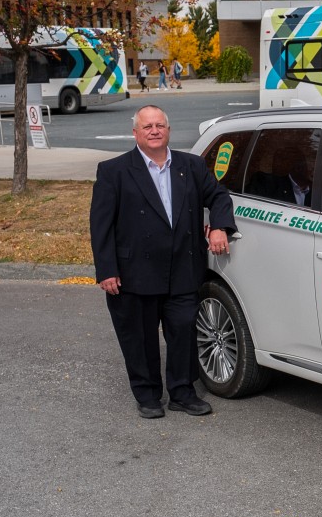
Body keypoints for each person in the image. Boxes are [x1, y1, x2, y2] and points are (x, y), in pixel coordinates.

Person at [90, 105, 238, 418]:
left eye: (160, 125)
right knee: (140, 339)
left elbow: (219, 196)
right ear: (135, 133)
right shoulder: (113, 171)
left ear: (168, 131)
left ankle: (183, 393)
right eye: (147, 126)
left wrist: (220, 226)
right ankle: (147, 396)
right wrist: (106, 270)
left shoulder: (192, 166)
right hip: (133, 274)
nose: (155, 131)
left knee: (183, 334)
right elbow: (100, 225)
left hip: (183, 269)